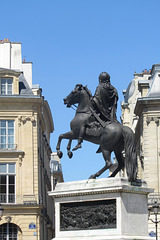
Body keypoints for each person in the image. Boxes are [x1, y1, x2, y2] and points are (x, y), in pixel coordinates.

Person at [72, 72, 118, 151]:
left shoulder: (100, 87)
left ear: (100, 80)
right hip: (111, 114)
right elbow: (115, 102)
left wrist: (90, 97)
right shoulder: (114, 89)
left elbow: (95, 100)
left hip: (102, 113)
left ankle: (79, 142)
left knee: (84, 123)